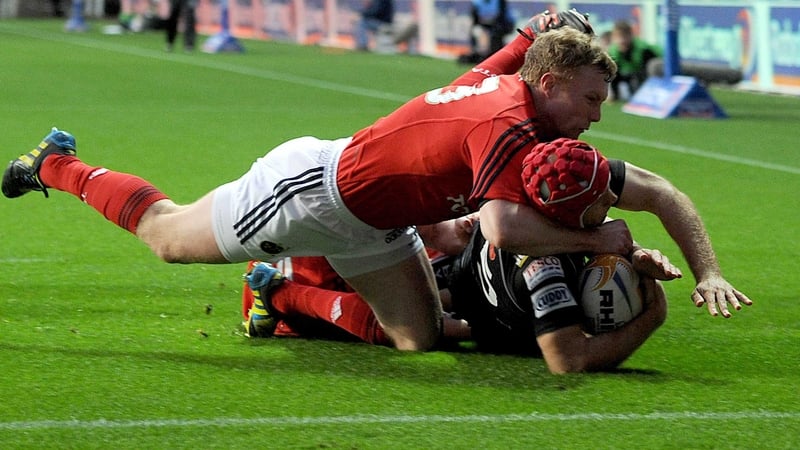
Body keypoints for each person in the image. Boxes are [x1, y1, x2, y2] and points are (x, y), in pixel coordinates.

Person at [1, 11, 745, 353]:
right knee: (166, 236)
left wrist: (708, 268)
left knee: (419, 340)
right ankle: (56, 165)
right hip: (310, 191)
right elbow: (499, 229)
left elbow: (657, 186)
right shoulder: (508, 125)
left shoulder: (515, 99)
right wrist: (605, 236)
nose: (595, 117)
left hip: (374, 222)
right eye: (589, 100)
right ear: (548, 84)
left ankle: (284, 287)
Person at [240, 141, 685, 373]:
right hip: (468, 301)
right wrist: (653, 314)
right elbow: (567, 361)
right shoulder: (542, 263)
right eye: (602, 194)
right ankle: (280, 295)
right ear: (574, 211)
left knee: (425, 301)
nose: (613, 197)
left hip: (460, 275)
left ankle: (284, 291)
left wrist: (635, 264)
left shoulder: (528, 202)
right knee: (417, 331)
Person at [606, 20, 662, 101]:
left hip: (646, 72)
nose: (622, 40)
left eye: (624, 36)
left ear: (630, 35)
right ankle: (615, 97)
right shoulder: (612, 50)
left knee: (639, 78)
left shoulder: (643, 49)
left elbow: (651, 70)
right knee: (614, 74)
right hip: (629, 73)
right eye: (618, 37)